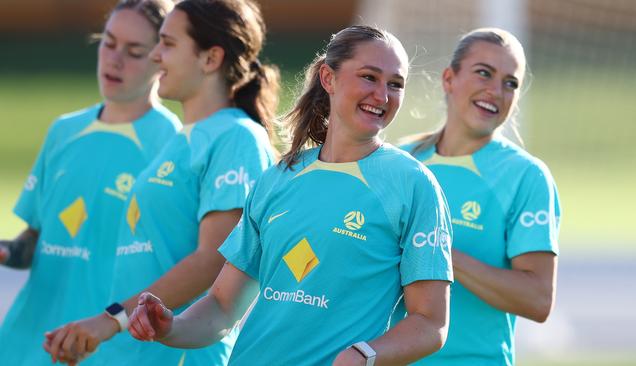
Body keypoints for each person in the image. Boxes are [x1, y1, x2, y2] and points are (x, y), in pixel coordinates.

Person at [128, 24, 453, 366]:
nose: (383, 96)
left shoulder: (413, 183)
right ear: (328, 78)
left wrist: (366, 355)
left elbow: (430, 323)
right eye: (369, 77)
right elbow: (222, 308)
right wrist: (170, 327)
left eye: (395, 84)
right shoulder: (280, 177)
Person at [43, 0, 279, 365]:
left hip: (182, 356)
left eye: (167, 44)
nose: (155, 56)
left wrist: (110, 320)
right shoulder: (179, 140)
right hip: (133, 352)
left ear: (210, 59)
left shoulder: (236, 138)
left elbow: (214, 259)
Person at [0, 0, 181, 365]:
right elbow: (36, 238)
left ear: (161, 58)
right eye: (109, 42)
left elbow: (179, 261)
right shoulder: (64, 130)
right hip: (33, 341)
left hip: (110, 349)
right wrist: (7, 251)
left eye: (134, 51)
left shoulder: (172, 143)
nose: (115, 60)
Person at [396, 28, 561, 365]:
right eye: (483, 72)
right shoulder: (400, 161)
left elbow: (538, 299)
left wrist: (437, 251)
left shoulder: (526, 176)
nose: (496, 90)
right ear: (449, 79)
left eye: (510, 82)